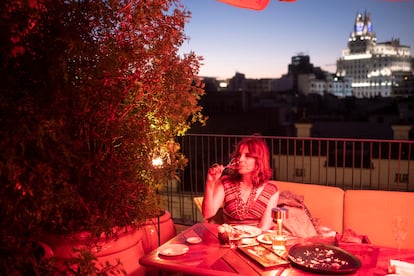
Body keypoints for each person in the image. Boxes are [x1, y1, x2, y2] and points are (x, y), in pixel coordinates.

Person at [202, 136, 279, 231]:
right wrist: (210, 183)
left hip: (255, 241)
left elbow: (263, 228)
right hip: (229, 240)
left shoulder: (271, 189)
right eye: (239, 155)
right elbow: (207, 214)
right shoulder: (225, 183)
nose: (240, 159)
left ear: (259, 160)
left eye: (247, 155)